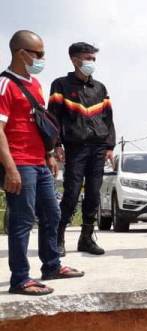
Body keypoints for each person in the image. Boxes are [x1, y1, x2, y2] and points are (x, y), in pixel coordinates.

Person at [0, 30, 84, 295]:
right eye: (38, 53)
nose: (42, 58)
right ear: (20, 53)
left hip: (38, 161)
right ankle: (20, 279)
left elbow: (38, 123)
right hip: (19, 163)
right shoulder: (5, 85)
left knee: (52, 213)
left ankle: (51, 265)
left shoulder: (34, 84)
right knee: (22, 220)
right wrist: (10, 168)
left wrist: (48, 155)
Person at [49, 42, 115, 256]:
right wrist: (56, 145)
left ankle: (86, 238)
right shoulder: (60, 85)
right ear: (74, 59)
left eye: (93, 59)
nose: (91, 62)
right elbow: (53, 118)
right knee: (71, 193)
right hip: (75, 147)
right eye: (88, 58)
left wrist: (109, 146)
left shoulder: (100, 88)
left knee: (94, 194)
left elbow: (108, 119)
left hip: (98, 148)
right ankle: (58, 238)